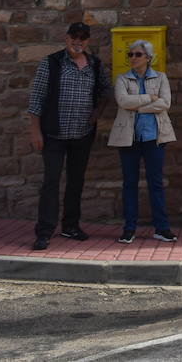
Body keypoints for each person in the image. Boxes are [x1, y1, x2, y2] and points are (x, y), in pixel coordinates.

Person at [28, 22, 111, 250]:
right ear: (66, 38)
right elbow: (36, 98)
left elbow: (106, 91)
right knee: (51, 182)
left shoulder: (94, 65)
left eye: (83, 38)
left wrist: (97, 113)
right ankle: (44, 231)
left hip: (82, 135)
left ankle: (70, 226)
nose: (78, 41)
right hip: (54, 133)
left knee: (76, 182)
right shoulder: (51, 63)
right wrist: (35, 130)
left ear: (88, 41)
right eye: (74, 37)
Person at [107, 40, 176, 243]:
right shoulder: (122, 79)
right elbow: (123, 101)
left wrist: (138, 105)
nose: (132, 58)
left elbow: (165, 103)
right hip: (129, 138)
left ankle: (161, 228)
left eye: (137, 54)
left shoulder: (161, 78)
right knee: (129, 184)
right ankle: (129, 228)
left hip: (154, 137)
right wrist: (149, 98)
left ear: (148, 57)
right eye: (130, 55)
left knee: (156, 183)